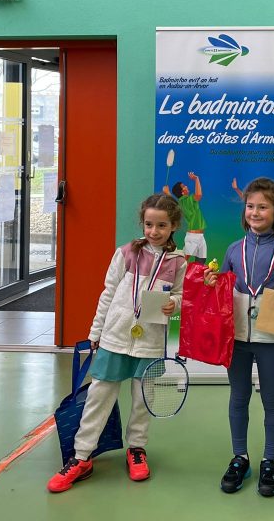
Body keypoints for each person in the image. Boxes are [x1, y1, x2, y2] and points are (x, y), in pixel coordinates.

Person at [47, 193, 187, 493]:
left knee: (142, 400)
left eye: (161, 225)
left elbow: (180, 295)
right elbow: (108, 293)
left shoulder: (178, 261)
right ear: (142, 223)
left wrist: (174, 303)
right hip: (115, 338)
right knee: (99, 396)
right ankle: (81, 456)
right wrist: (95, 333)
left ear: (173, 226)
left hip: (150, 343)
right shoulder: (126, 253)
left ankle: (136, 448)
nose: (154, 231)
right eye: (149, 224)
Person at [204, 178, 274, 498]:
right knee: (239, 396)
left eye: (263, 207)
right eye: (250, 206)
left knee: (271, 399)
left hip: (270, 336)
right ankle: (240, 458)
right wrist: (212, 281)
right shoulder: (234, 249)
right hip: (236, 336)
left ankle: (270, 461)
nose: (255, 212)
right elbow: (223, 285)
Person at [164, 171, 206, 262]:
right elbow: (199, 195)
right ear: (182, 192)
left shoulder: (182, 202)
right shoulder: (186, 200)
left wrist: (168, 193)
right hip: (194, 237)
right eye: (184, 186)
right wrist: (196, 179)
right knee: (183, 259)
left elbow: (175, 202)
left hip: (199, 236)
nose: (186, 186)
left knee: (201, 260)